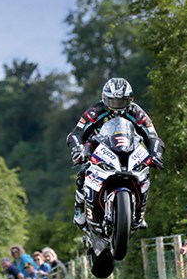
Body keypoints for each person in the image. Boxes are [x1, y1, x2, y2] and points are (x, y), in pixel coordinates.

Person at [66, 77, 165, 230]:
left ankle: (140, 212)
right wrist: (77, 149)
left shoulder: (136, 112)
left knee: (144, 171)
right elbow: (76, 133)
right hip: (98, 145)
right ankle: (79, 209)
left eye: (122, 101)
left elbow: (152, 136)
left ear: (130, 99)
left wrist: (156, 154)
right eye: (113, 101)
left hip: (130, 146)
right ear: (105, 99)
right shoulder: (95, 111)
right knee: (83, 170)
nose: (117, 106)